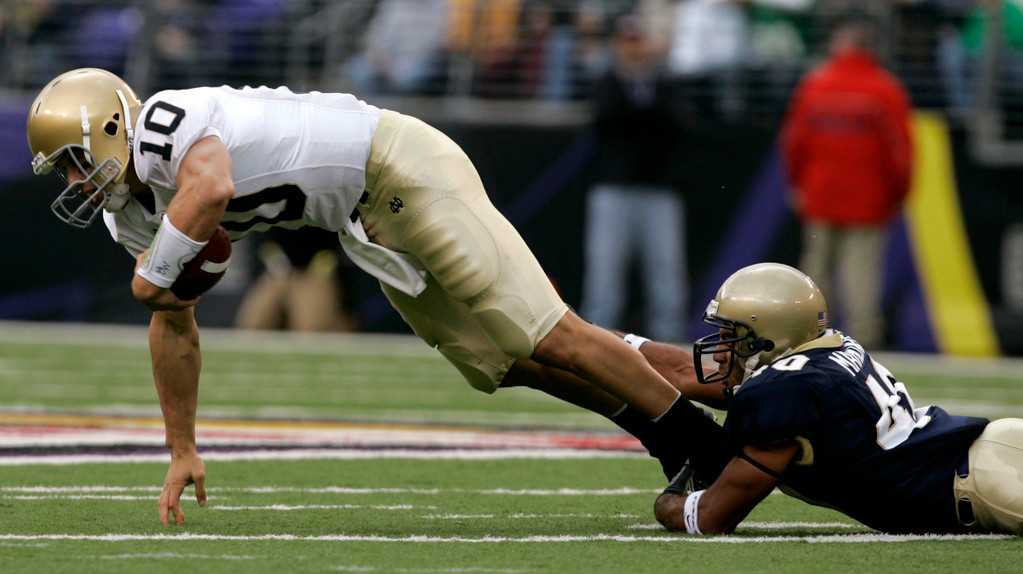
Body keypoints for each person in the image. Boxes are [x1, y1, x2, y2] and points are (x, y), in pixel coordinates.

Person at [25, 67, 725, 526]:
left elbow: (210, 188)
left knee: (536, 331)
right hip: (362, 218)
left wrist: (154, 275)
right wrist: (181, 445)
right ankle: (697, 395)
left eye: (74, 162)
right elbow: (172, 322)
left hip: (399, 165)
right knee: (498, 362)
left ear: (111, 127)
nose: (73, 182)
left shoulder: (159, 124)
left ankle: (703, 446)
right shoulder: (130, 214)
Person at [654, 262, 1023, 536]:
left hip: (981, 484)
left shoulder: (785, 391)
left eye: (731, 336)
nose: (719, 351)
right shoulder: (828, 346)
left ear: (768, 339)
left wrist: (670, 502)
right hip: (989, 447)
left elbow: (710, 518)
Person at [780, 13, 914, 350]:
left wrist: (798, 185)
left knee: (816, 270)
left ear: (840, 44)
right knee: (861, 274)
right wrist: (899, 194)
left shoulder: (816, 84)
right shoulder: (885, 88)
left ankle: (807, 334)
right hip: (869, 198)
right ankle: (864, 339)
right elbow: (902, 152)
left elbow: (795, 143)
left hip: (820, 193)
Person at [580, 14, 689, 343]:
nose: (632, 48)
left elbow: (678, 125)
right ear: (616, 44)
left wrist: (642, 116)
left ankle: (669, 338)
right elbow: (605, 121)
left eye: (637, 41)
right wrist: (645, 116)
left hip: (658, 190)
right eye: (627, 41)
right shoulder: (607, 82)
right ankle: (598, 338)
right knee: (605, 270)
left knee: (665, 269)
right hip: (614, 189)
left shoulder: (664, 83)